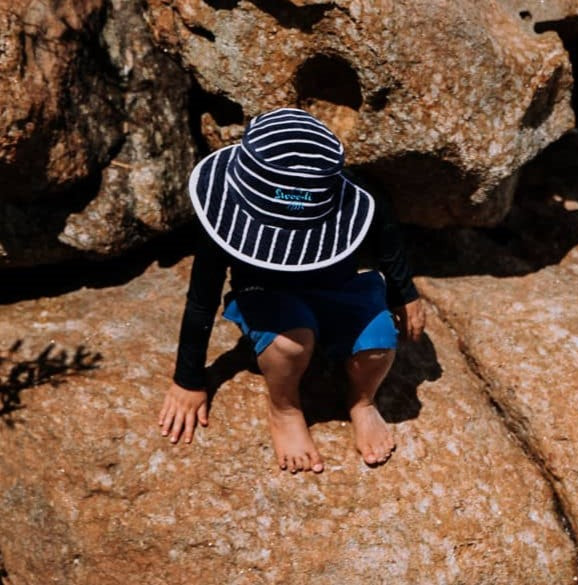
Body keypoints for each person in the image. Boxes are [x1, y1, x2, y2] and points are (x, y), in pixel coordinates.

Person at [158, 107, 425, 473]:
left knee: (379, 343)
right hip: (267, 293)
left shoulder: (353, 196)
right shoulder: (225, 216)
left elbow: (387, 238)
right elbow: (201, 300)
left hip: (339, 287)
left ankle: (361, 402)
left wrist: (403, 293)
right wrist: (188, 380)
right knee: (291, 343)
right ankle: (285, 409)